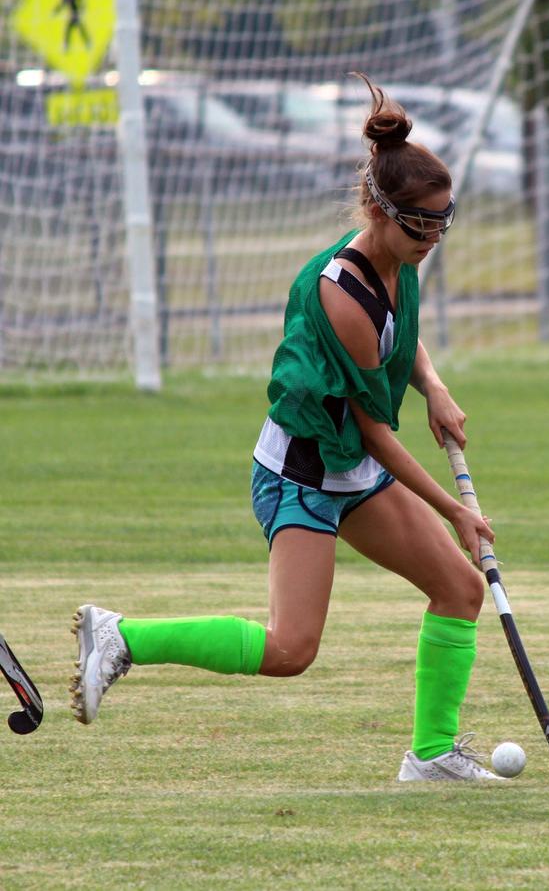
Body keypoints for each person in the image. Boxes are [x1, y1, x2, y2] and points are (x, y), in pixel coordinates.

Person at [70, 74, 506, 781]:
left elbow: (403, 335)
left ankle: (431, 756)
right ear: (379, 209)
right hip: (302, 474)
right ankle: (123, 637)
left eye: (441, 222)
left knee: (459, 590)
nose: (431, 238)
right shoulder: (342, 294)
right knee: (291, 649)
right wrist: (452, 508)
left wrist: (434, 385)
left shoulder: (398, 257)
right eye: (419, 225)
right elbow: (373, 433)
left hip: (351, 468)